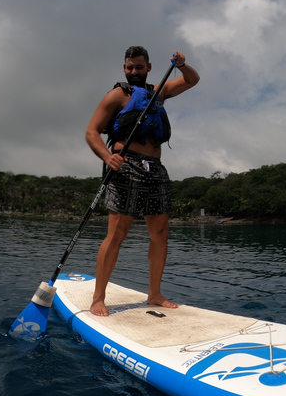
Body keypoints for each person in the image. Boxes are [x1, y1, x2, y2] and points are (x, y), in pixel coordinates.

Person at [85, 46, 200, 316]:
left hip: (155, 168)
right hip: (126, 165)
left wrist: (182, 65)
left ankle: (154, 294)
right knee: (117, 234)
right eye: (129, 67)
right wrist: (107, 156)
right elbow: (91, 132)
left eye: (138, 67)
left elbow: (192, 80)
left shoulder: (158, 91)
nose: (133, 71)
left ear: (148, 67)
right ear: (124, 69)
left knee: (160, 233)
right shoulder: (117, 95)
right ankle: (98, 298)